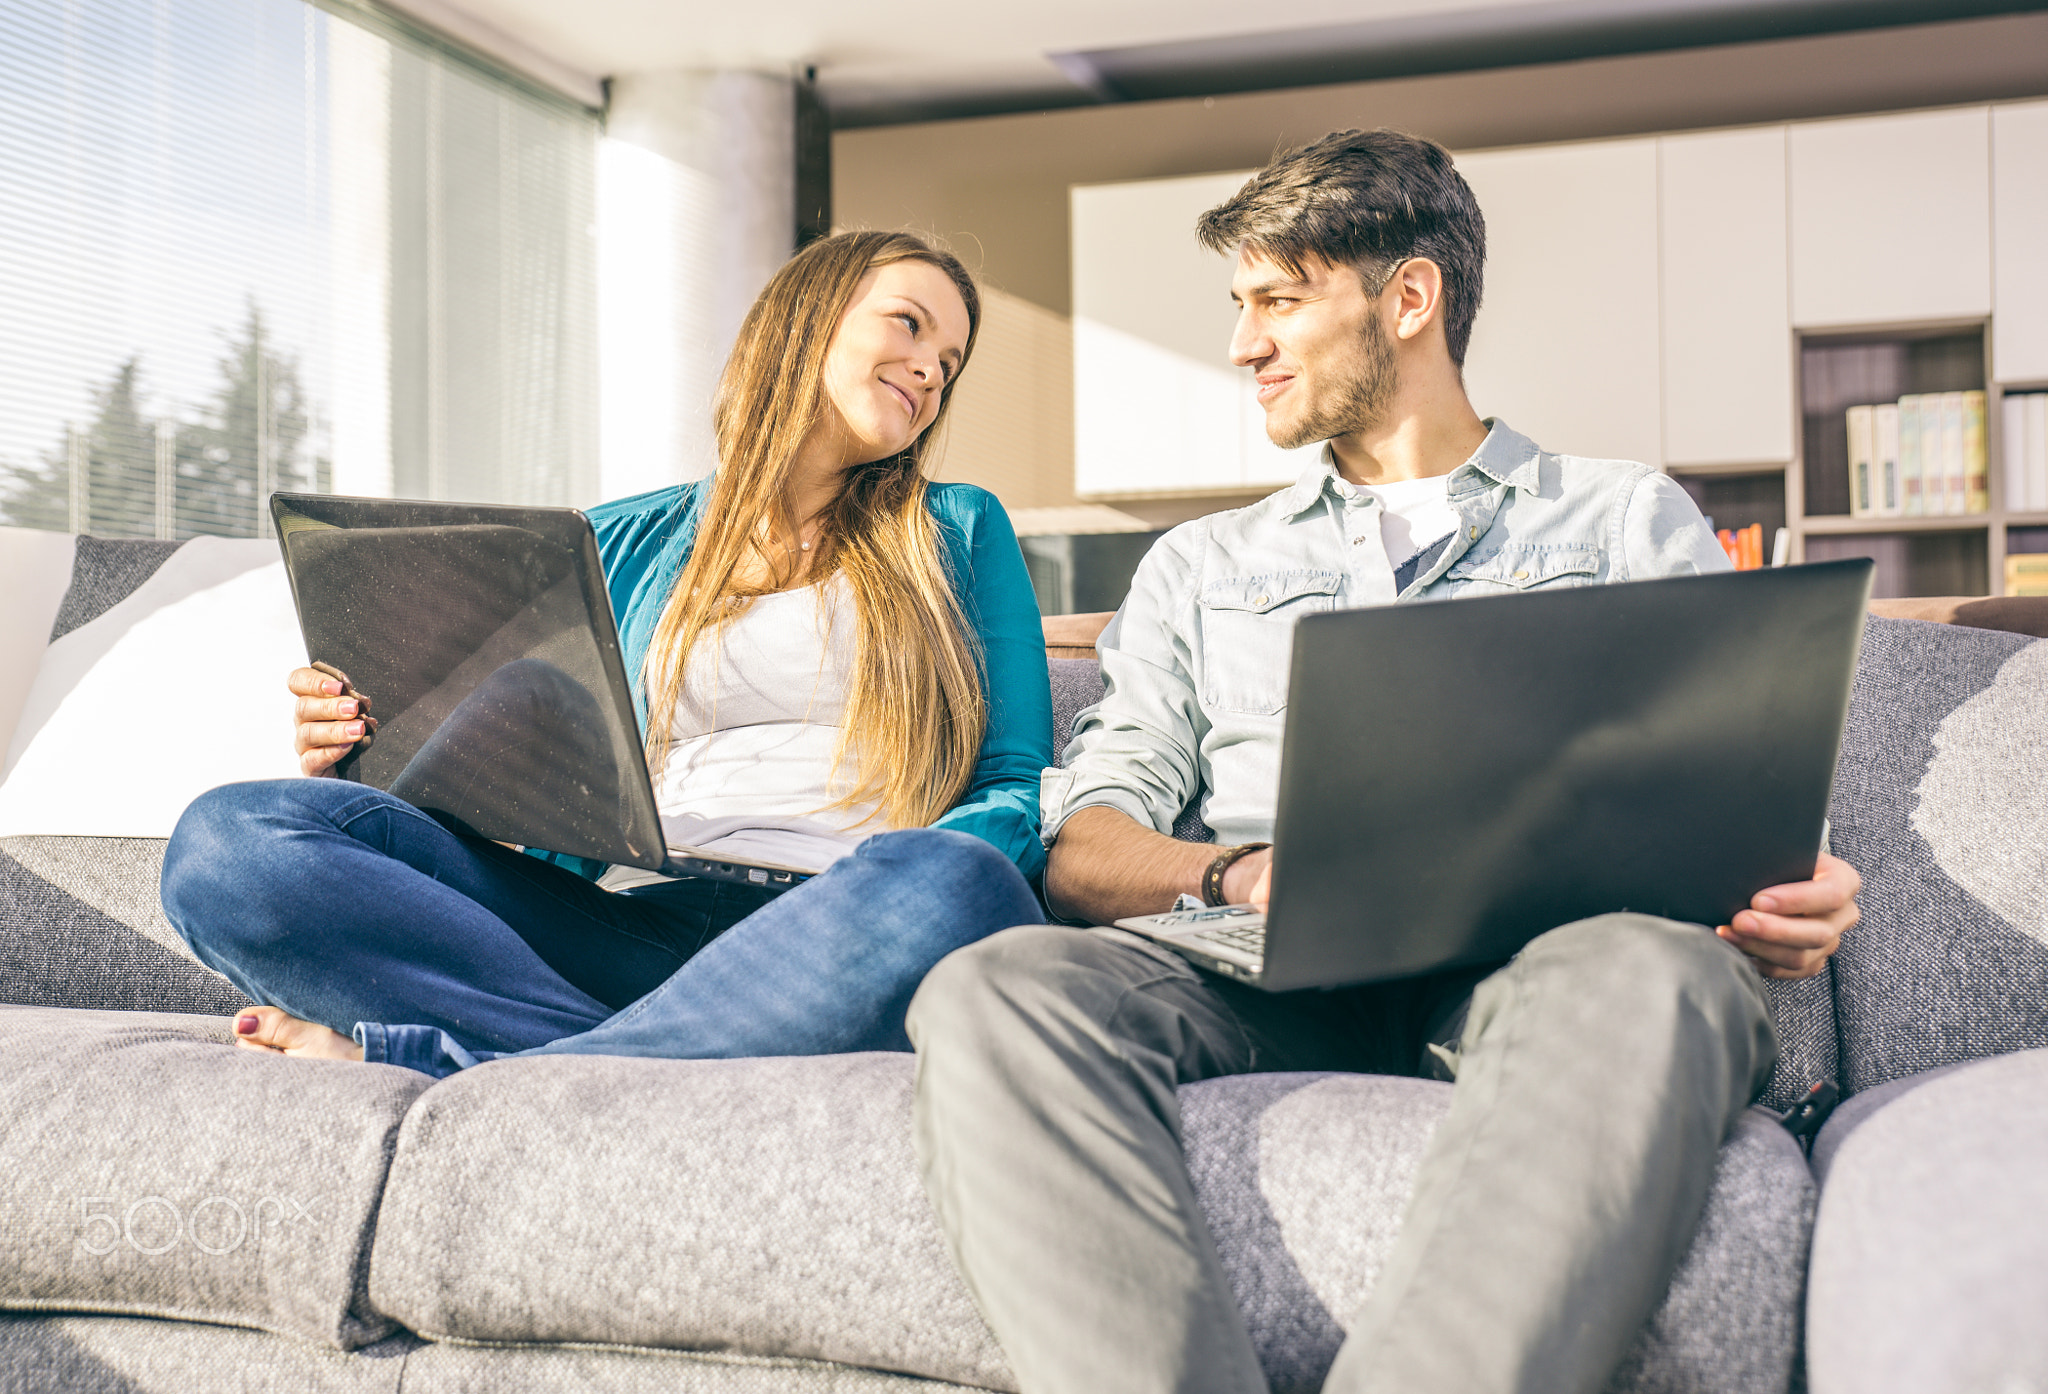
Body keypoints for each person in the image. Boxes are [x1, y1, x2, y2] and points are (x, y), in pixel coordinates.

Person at [904, 130, 1863, 1394]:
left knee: (1656, 968)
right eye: (1237, 306)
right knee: (993, 986)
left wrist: (1786, 883)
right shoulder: (1200, 567)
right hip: (1258, 972)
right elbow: (1083, 839)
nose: (1242, 342)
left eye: (1276, 301)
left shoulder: (1623, 518)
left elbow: (1729, 794)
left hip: (1548, 974)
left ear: (1406, 299)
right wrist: (1241, 874)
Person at [161, 230, 1051, 1077]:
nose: (933, 369)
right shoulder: (621, 540)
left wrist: (906, 879)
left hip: (849, 921)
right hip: (628, 929)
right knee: (227, 844)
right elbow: (535, 798)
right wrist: (364, 759)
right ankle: (634, 1056)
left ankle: (489, 1066)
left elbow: (1015, 786)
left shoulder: (956, 527)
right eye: (910, 323)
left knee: (963, 881)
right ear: (807, 317)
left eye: (952, 362)